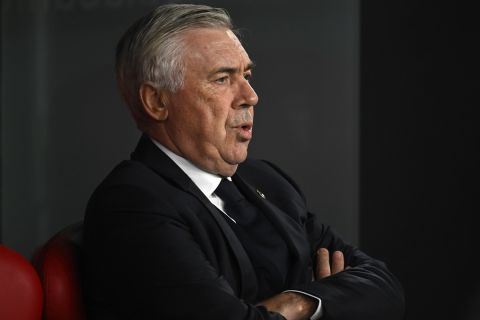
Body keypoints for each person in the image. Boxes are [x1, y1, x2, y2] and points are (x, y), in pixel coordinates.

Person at [82, 4, 405, 320]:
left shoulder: (268, 180)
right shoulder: (131, 204)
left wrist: (298, 302)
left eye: (246, 75)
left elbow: (384, 287)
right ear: (156, 101)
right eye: (222, 79)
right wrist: (333, 301)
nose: (250, 95)